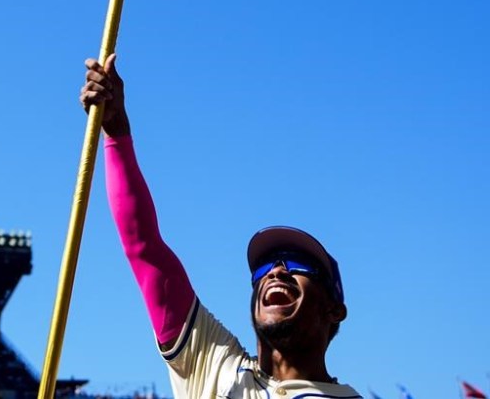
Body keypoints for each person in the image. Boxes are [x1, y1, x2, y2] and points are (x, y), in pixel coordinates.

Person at [80, 54, 361, 399]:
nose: (276, 271)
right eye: (262, 269)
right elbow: (145, 248)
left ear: (334, 309)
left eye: (297, 264)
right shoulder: (214, 364)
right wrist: (117, 131)